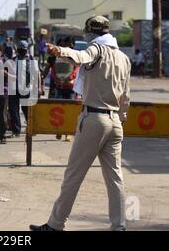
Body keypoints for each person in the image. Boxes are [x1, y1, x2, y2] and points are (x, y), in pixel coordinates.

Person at [30, 15, 131, 231]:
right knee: (115, 179)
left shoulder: (98, 50)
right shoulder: (123, 58)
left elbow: (82, 56)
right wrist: (120, 119)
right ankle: (119, 226)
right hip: (115, 122)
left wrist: (60, 51)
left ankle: (55, 225)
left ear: (90, 32)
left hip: (94, 119)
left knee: (73, 176)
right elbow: (126, 97)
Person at [7, 40, 37, 137]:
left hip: (26, 89)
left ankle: (31, 128)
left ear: (27, 50)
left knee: (26, 110)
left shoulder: (32, 60)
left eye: (23, 50)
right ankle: (16, 131)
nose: (22, 51)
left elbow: (36, 75)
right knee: (13, 110)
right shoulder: (12, 60)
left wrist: (37, 88)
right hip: (13, 89)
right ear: (17, 50)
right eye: (20, 50)